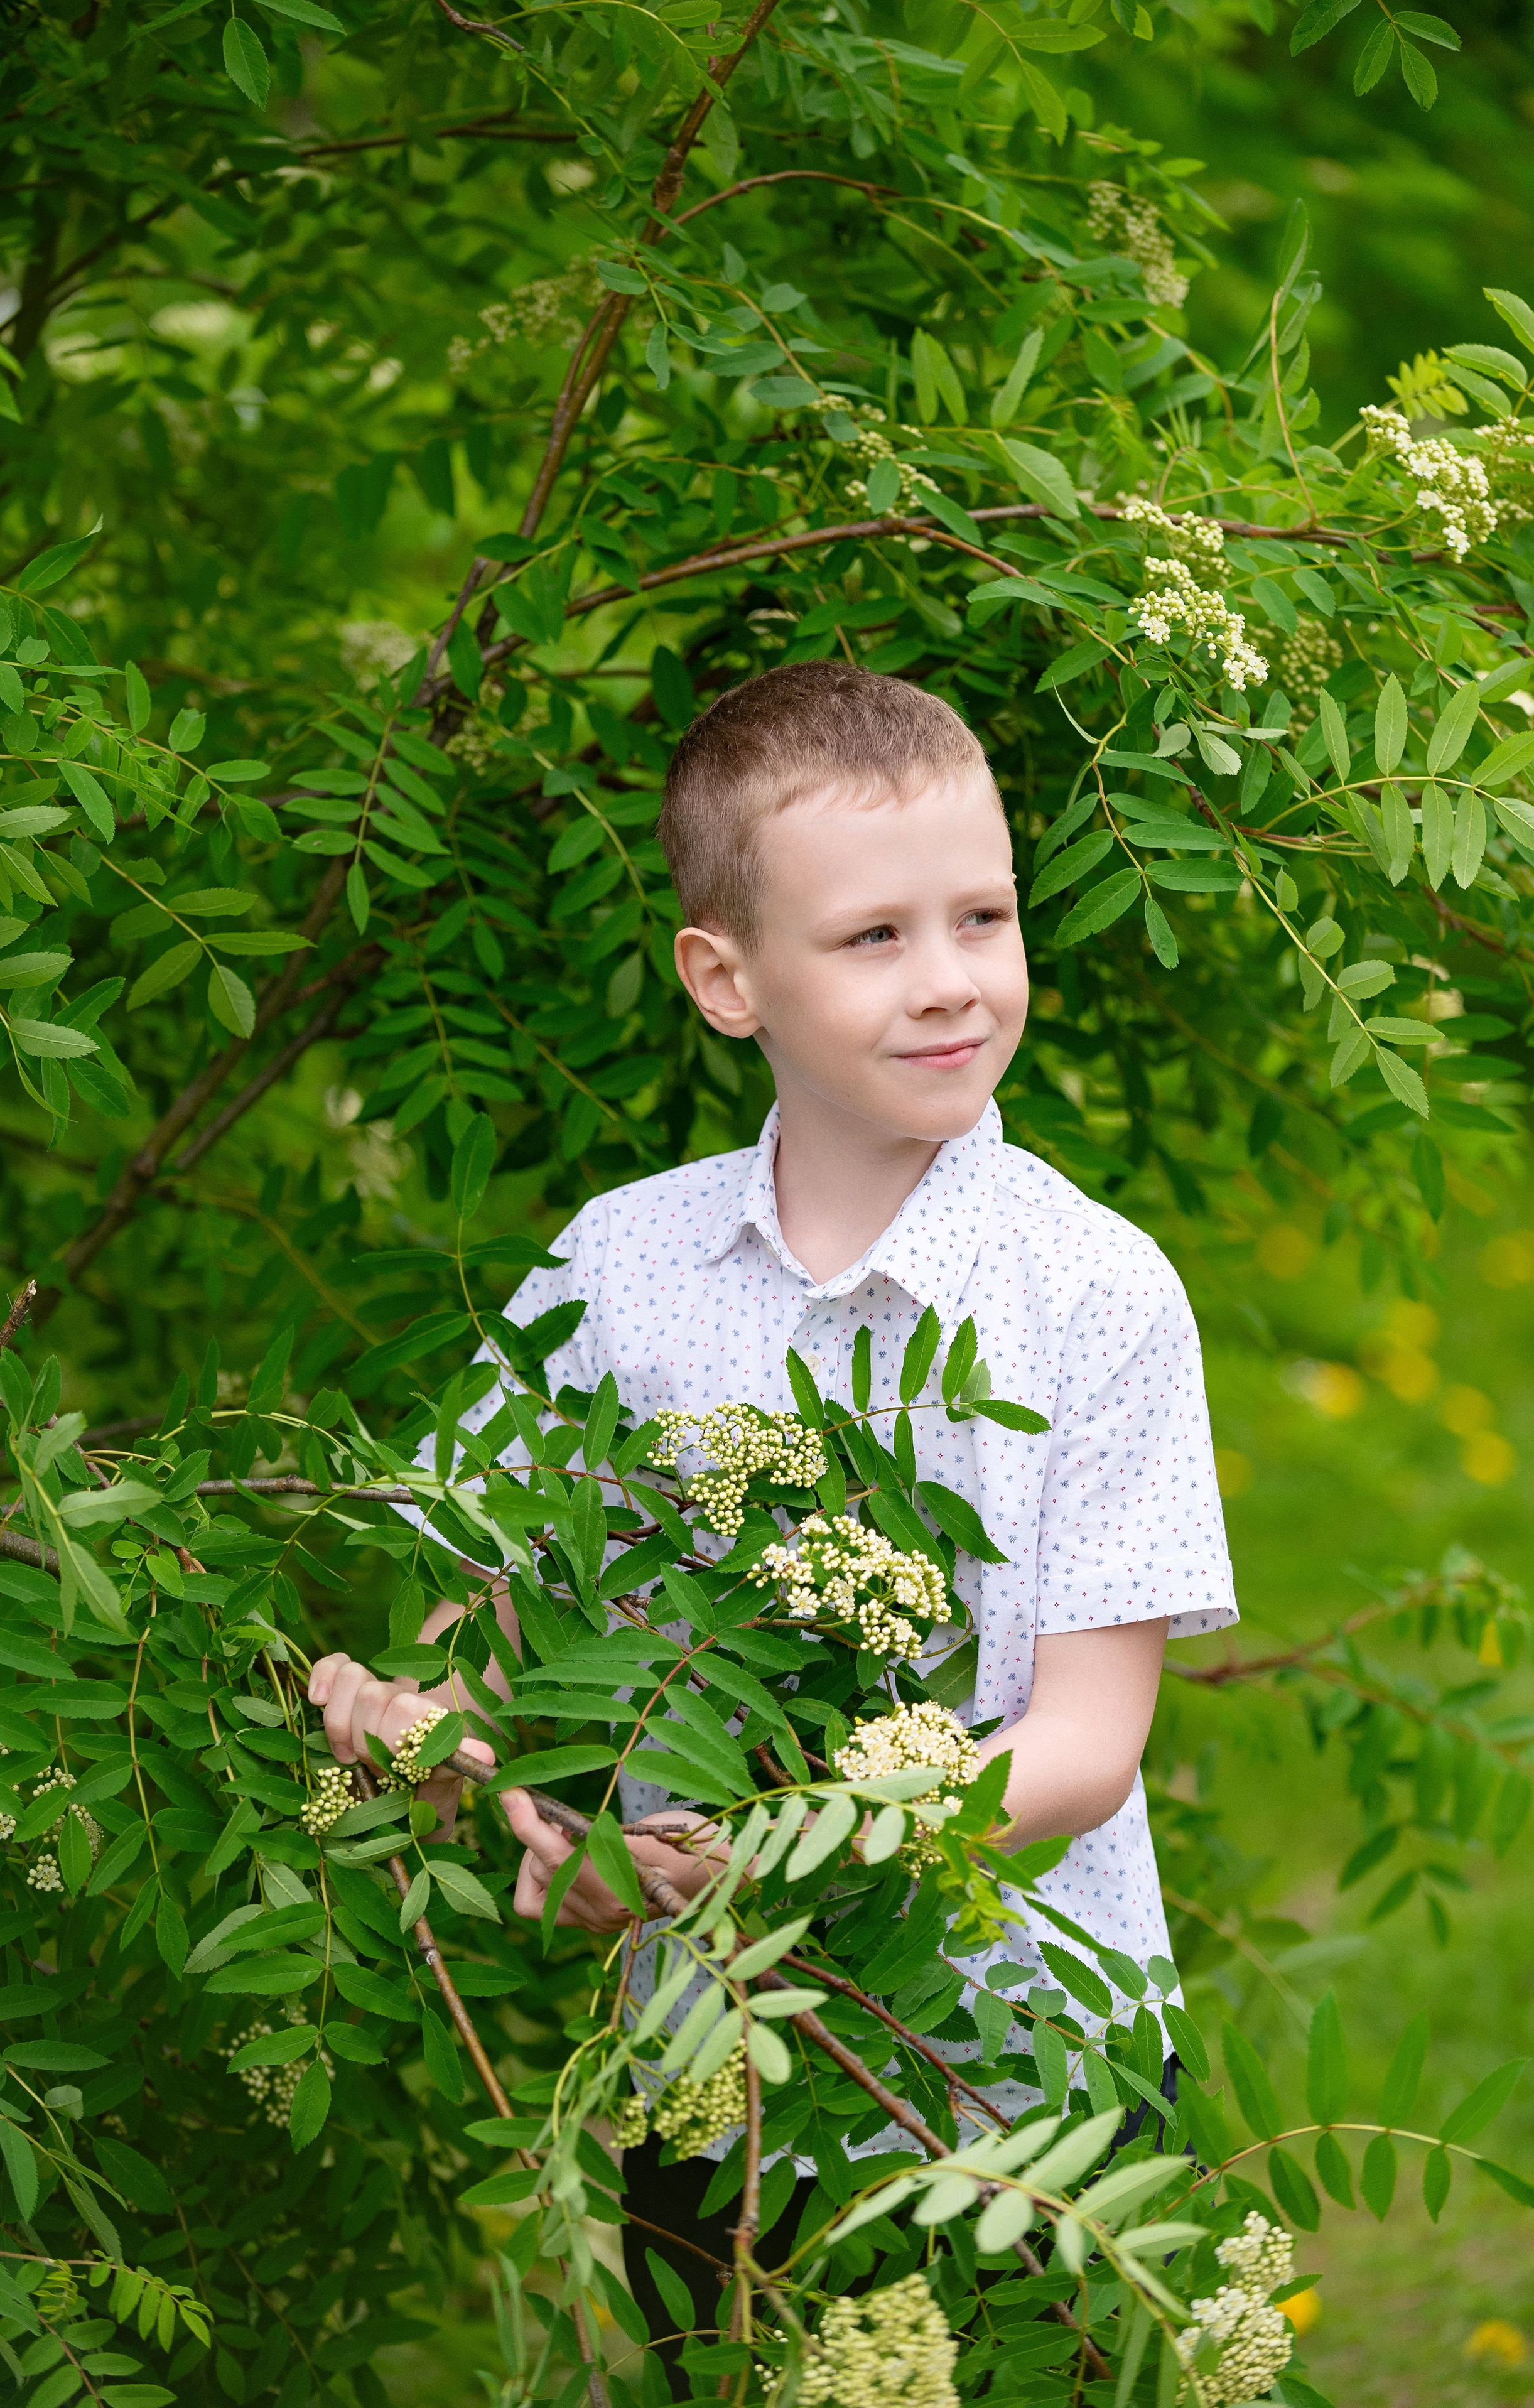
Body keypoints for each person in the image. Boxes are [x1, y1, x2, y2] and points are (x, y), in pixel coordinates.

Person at [308, 661, 1238, 2386]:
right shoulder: (622, 1264)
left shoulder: (1099, 1294)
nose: (953, 979)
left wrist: (789, 1842)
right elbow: (490, 1618)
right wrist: (484, 1767)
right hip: (709, 2051)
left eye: (983, 914)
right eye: (875, 936)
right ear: (727, 979)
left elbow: (1089, 1746)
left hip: (1026, 2062)